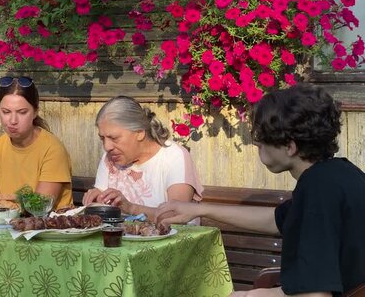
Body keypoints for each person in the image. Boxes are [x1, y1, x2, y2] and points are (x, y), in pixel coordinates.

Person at [156, 84, 365, 297]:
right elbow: (276, 219)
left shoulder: (317, 190)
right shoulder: (340, 173)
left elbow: (313, 294)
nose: (257, 145)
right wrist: (199, 210)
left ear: (290, 147)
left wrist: (246, 296)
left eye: (262, 140)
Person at [82, 95, 203, 219]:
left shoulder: (173, 157)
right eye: (102, 138)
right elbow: (101, 203)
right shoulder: (110, 157)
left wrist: (131, 208)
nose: (107, 146)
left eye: (114, 138)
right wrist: (96, 199)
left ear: (139, 133)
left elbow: (176, 215)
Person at [0, 76, 73, 209]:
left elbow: (39, 207)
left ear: (35, 112)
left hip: (48, 226)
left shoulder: (52, 149)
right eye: (6, 112)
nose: (12, 120)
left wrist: (6, 203)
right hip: (4, 224)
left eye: (22, 112)